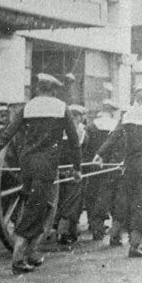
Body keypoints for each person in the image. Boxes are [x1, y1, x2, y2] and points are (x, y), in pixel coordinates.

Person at [0, 74, 81, 274]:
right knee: (36, 209)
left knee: (39, 207)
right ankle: (18, 259)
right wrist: (77, 168)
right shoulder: (61, 108)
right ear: (54, 90)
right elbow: (74, 141)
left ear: (38, 89)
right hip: (46, 166)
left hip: (26, 164)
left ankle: (31, 253)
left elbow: (6, 135)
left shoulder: (28, 107)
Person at [93, 85, 142, 258]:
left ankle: (116, 234)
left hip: (129, 166)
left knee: (125, 201)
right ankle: (135, 245)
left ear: (137, 100)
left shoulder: (127, 116)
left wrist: (100, 154)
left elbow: (114, 137)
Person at [85, 100, 120, 241]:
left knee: (92, 193)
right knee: (106, 196)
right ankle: (100, 226)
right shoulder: (115, 126)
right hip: (110, 166)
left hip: (93, 164)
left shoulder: (92, 125)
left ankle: (93, 224)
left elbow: (86, 146)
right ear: (112, 112)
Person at [55, 103, 88, 245]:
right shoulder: (81, 132)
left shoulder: (60, 130)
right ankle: (63, 231)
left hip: (59, 170)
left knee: (61, 199)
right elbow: (83, 151)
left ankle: (71, 230)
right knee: (73, 200)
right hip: (75, 170)